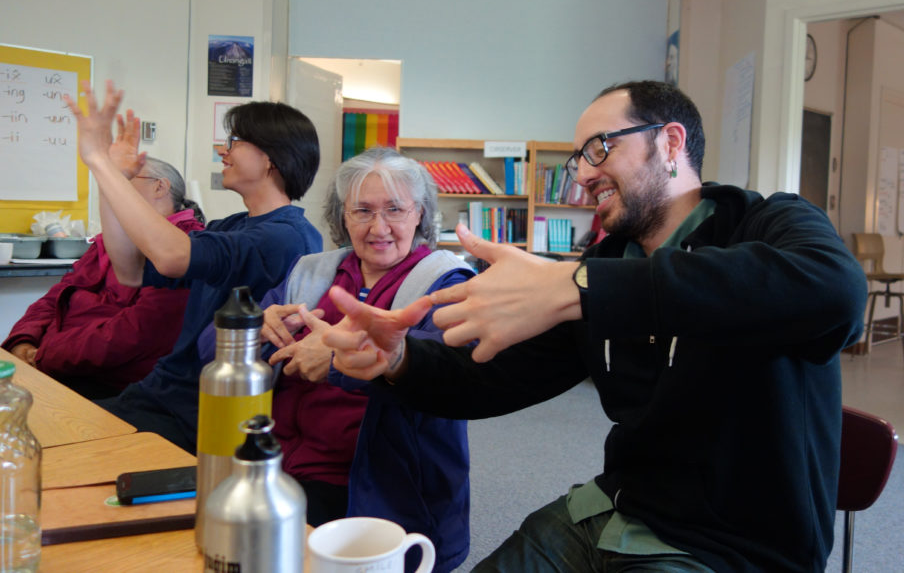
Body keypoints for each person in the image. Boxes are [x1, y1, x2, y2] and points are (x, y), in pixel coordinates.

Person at [321, 80, 868, 572]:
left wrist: (576, 285)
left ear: (671, 143)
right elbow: (498, 377)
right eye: (579, 157)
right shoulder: (608, 261)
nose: (582, 173)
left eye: (600, 148)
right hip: (612, 510)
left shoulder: (770, 222)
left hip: (731, 549)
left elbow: (835, 294)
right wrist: (399, 360)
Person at [250, 147, 474, 572]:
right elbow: (214, 351)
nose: (379, 227)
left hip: (373, 486)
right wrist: (251, 330)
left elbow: (450, 373)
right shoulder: (311, 271)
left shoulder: (446, 280)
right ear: (343, 218)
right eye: (362, 211)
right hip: (275, 462)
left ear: (420, 215)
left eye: (394, 209)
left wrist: (336, 359)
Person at [65, 81, 321, 452]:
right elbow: (130, 268)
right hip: (161, 396)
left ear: (270, 157)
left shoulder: (288, 237)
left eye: (234, 142)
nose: (223, 151)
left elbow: (171, 255)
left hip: (196, 415)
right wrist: (113, 180)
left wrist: (98, 162)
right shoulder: (234, 225)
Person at [2, 158, 205, 399]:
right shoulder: (110, 239)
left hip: (115, 385)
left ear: (160, 187)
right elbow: (57, 296)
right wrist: (23, 341)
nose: (111, 191)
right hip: (55, 365)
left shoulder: (183, 247)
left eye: (122, 180)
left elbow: (139, 332)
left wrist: (47, 354)